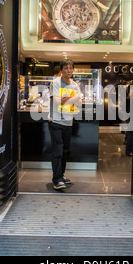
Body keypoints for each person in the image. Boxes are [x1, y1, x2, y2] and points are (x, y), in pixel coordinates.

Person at [48, 59, 81, 190]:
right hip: (56, 121)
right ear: (61, 70)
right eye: (66, 68)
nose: (69, 70)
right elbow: (57, 102)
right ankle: (56, 180)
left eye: (71, 68)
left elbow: (79, 102)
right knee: (57, 151)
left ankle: (61, 175)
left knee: (65, 151)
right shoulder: (55, 83)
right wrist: (73, 99)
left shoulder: (74, 85)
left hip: (68, 121)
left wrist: (67, 100)